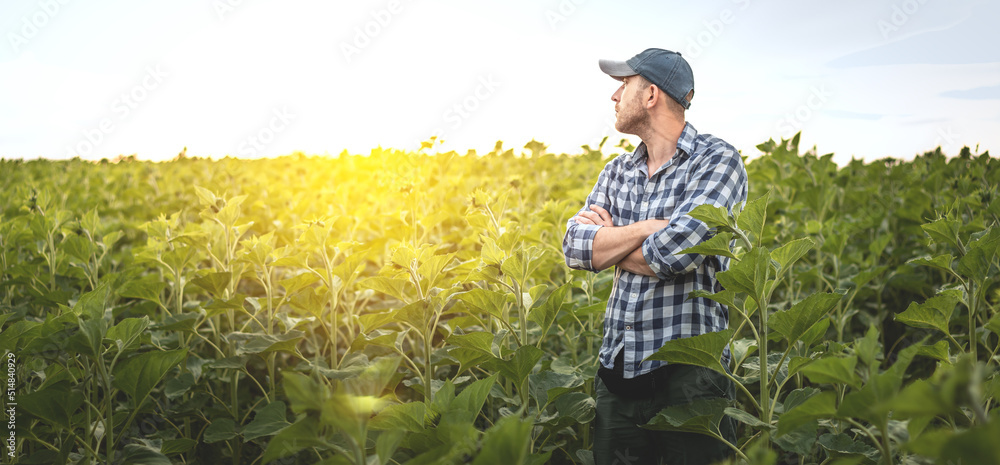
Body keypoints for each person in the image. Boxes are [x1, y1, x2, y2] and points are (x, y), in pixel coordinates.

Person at [562, 48, 748, 464]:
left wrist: (608, 242)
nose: (614, 97)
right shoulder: (617, 171)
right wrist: (647, 229)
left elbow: (675, 254)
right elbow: (575, 246)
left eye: (622, 85)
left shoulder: (717, 161)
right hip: (617, 368)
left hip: (690, 379)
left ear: (650, 96)